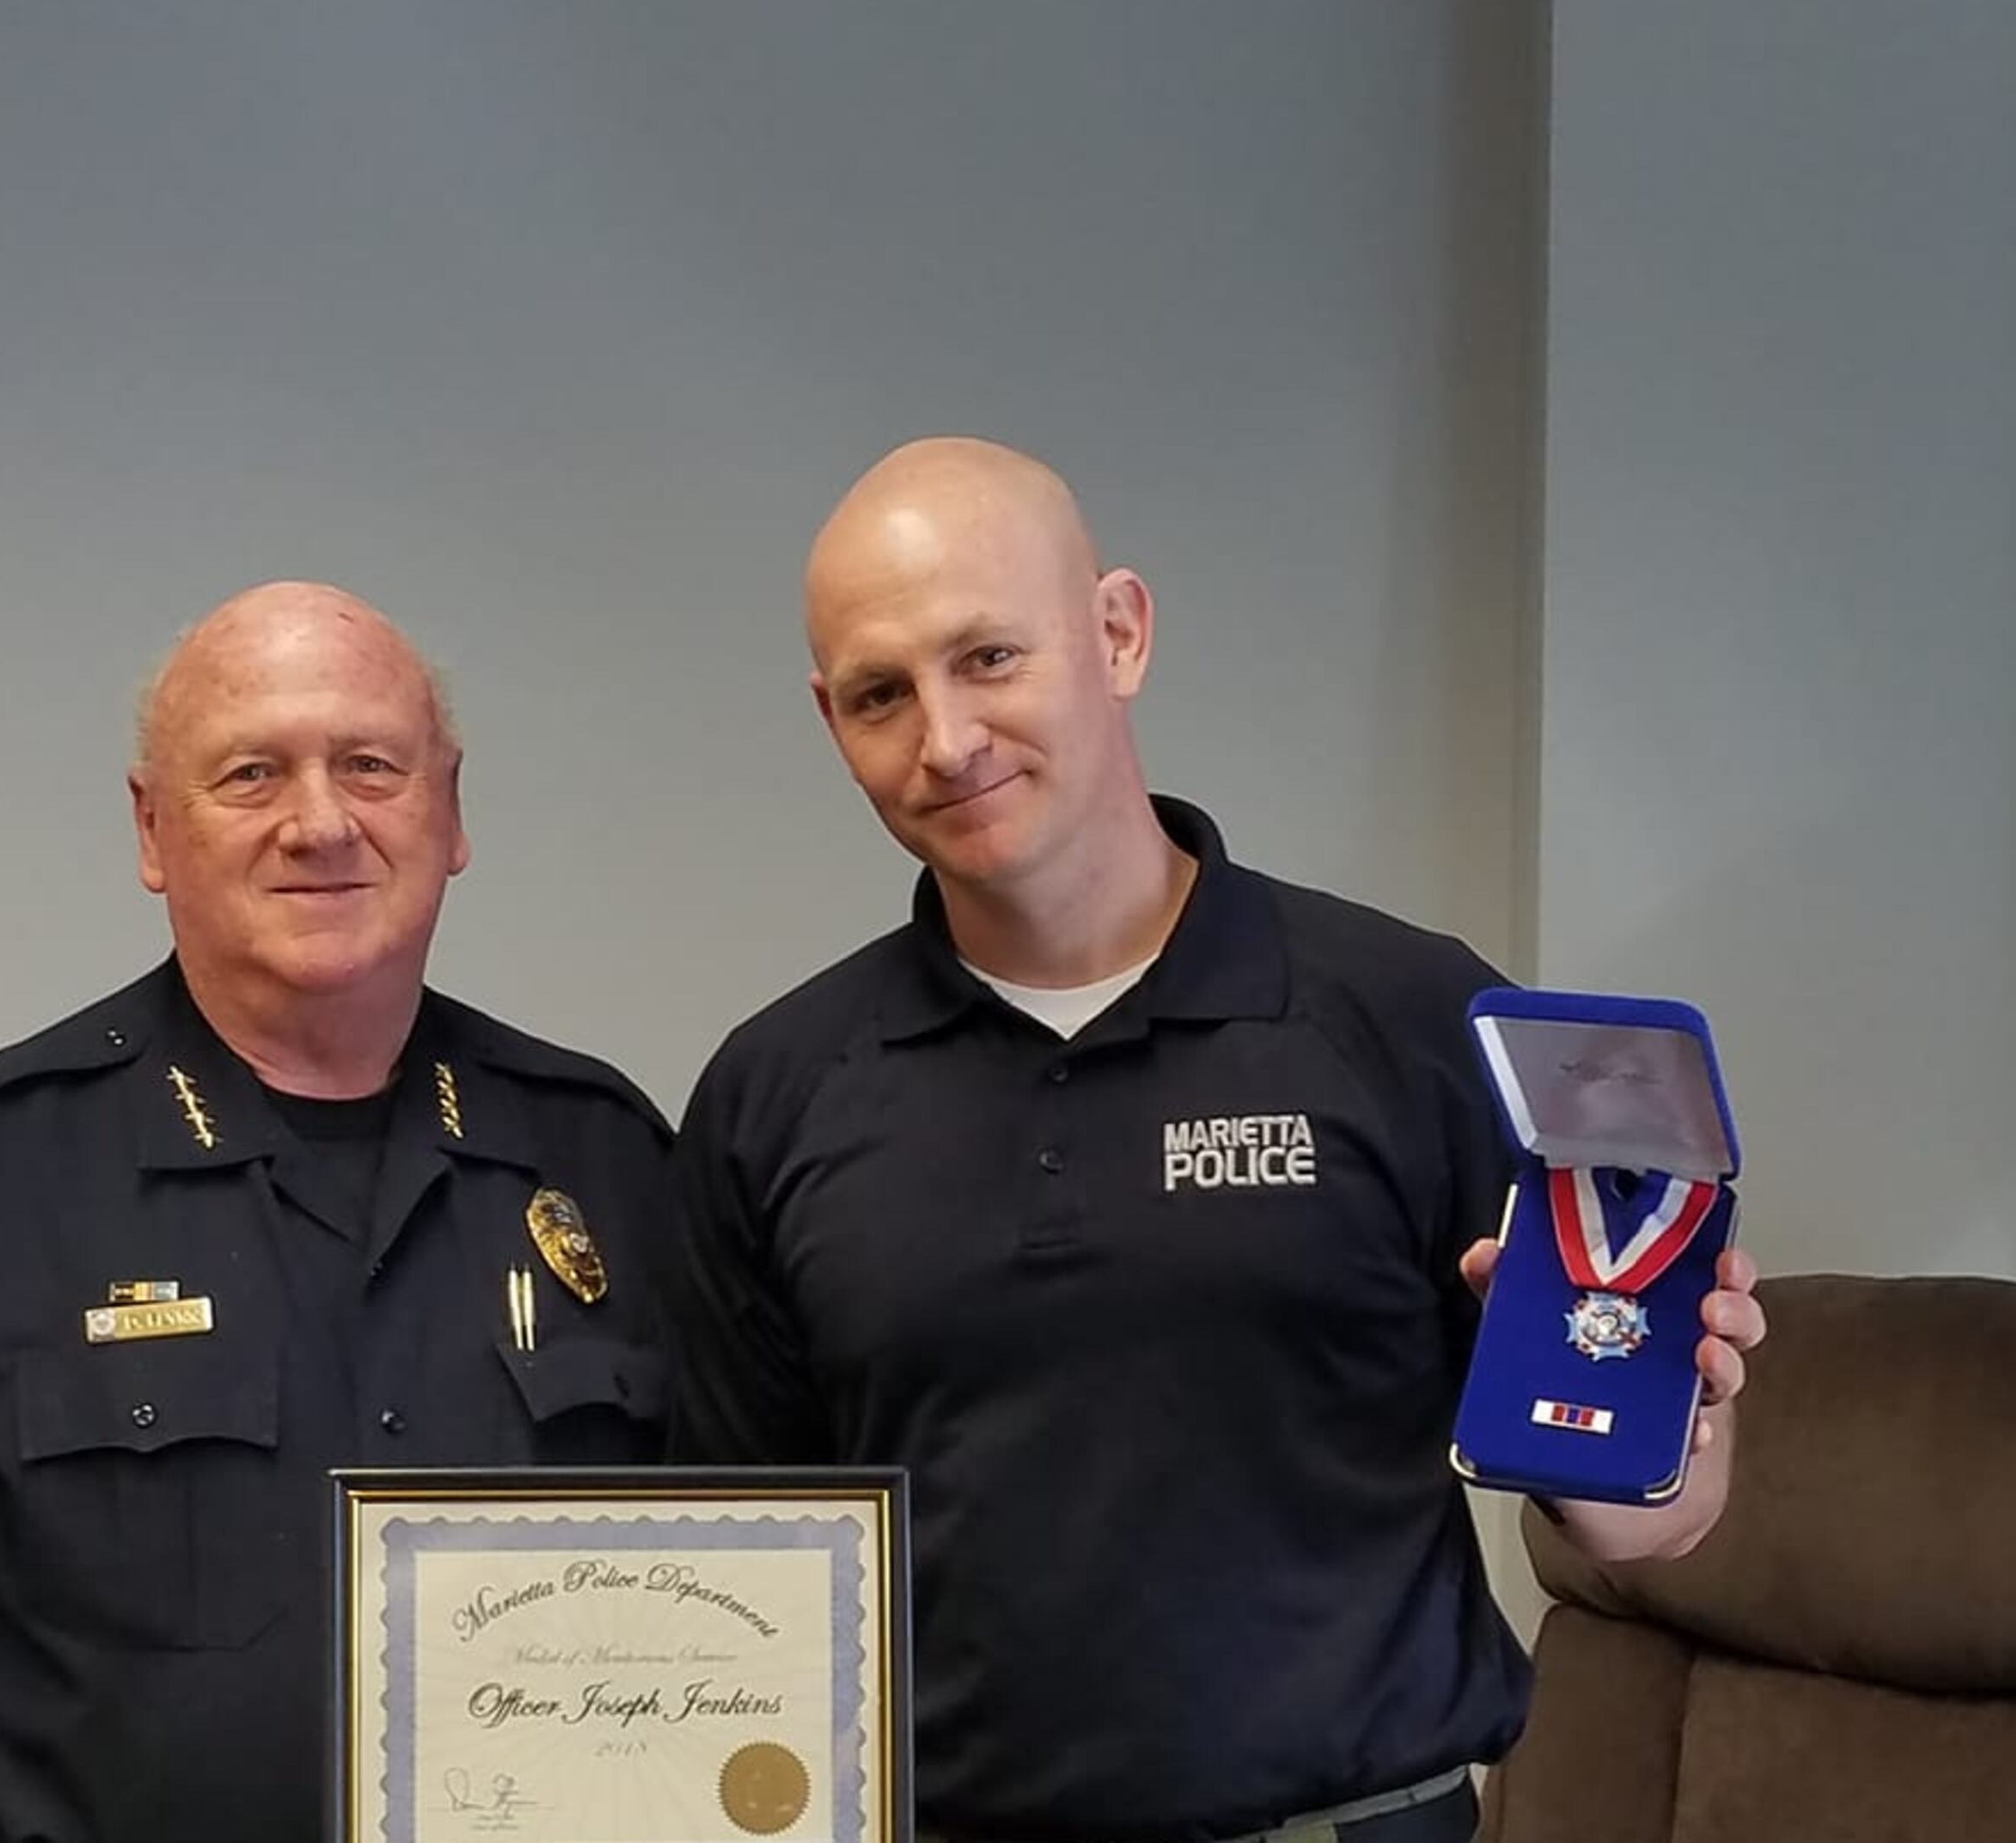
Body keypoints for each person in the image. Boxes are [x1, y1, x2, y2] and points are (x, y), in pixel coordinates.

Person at [658, 437, 1769, 1843]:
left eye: (990, 658)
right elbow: (745, 1582)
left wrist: (1655, 1434)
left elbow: (1644, 1521)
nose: (946, 740)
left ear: (1117, 634)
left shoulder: (1416, 1018)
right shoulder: (774, 1095)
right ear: (834, 722)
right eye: (883, 694)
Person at [0, 582, 677, 1843]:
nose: (321, 821)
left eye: (371, 765)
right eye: (250, 774)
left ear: (451, 808)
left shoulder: (612, 1164)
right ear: (150, 828)